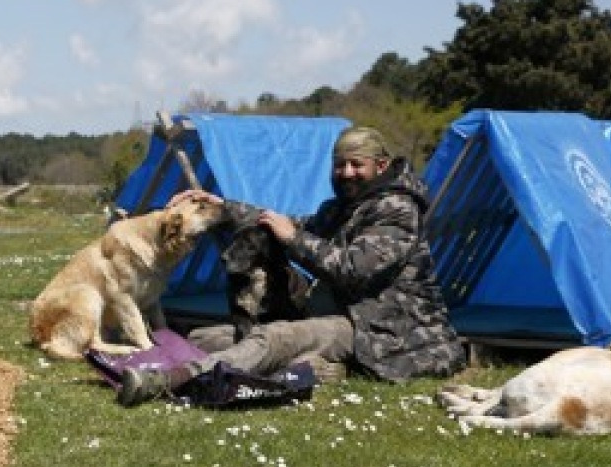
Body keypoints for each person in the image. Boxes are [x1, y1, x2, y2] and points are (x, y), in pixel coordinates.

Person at [117, 126, 466, 406]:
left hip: (382, 328)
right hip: (337, 314)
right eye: (340, 165)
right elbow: (287, 224)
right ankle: (321, 369)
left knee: (274, 338)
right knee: (206, 337)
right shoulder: (346, 207)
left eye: (357, 165)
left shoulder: (398, 209)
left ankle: (168, 381)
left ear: (382, 166)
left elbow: (353, 270)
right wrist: (221, 208)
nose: (347, 173)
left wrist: (293, 239)